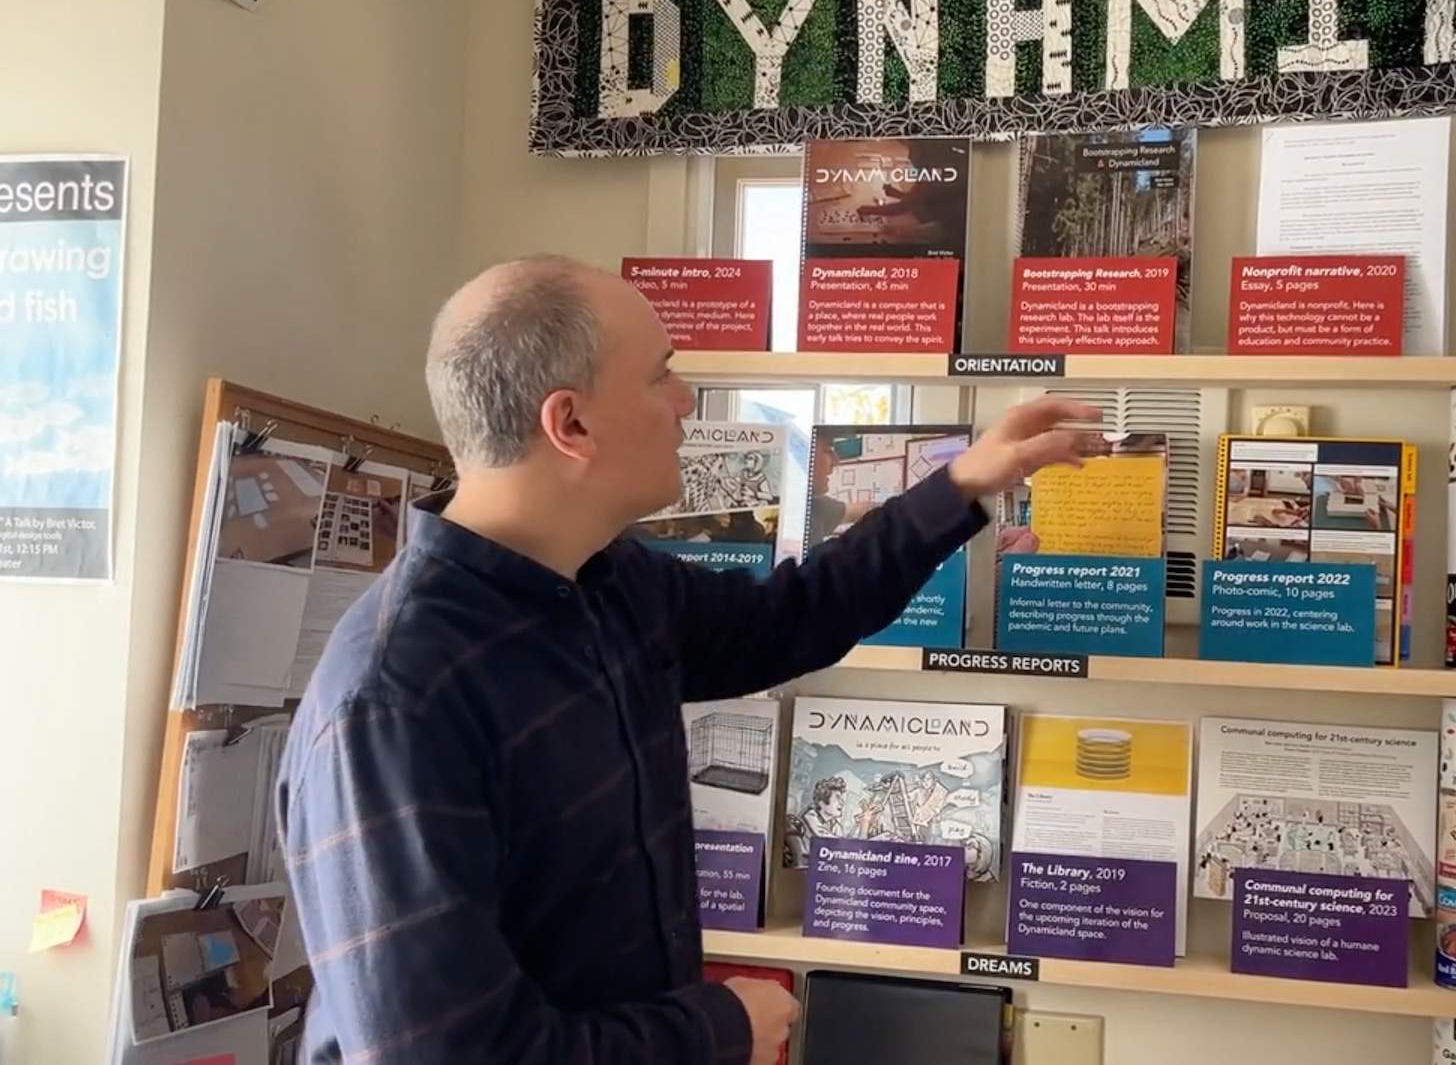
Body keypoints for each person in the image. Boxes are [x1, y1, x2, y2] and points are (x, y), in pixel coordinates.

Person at [275, 254, 1099, 1065]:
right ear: (571, 425)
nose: (687, 400)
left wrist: (958, 485)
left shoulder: (606, 579)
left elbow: (788, 619)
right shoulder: (393, 701)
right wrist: (717, 1029)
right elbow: (449, 1055)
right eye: (661, 376)